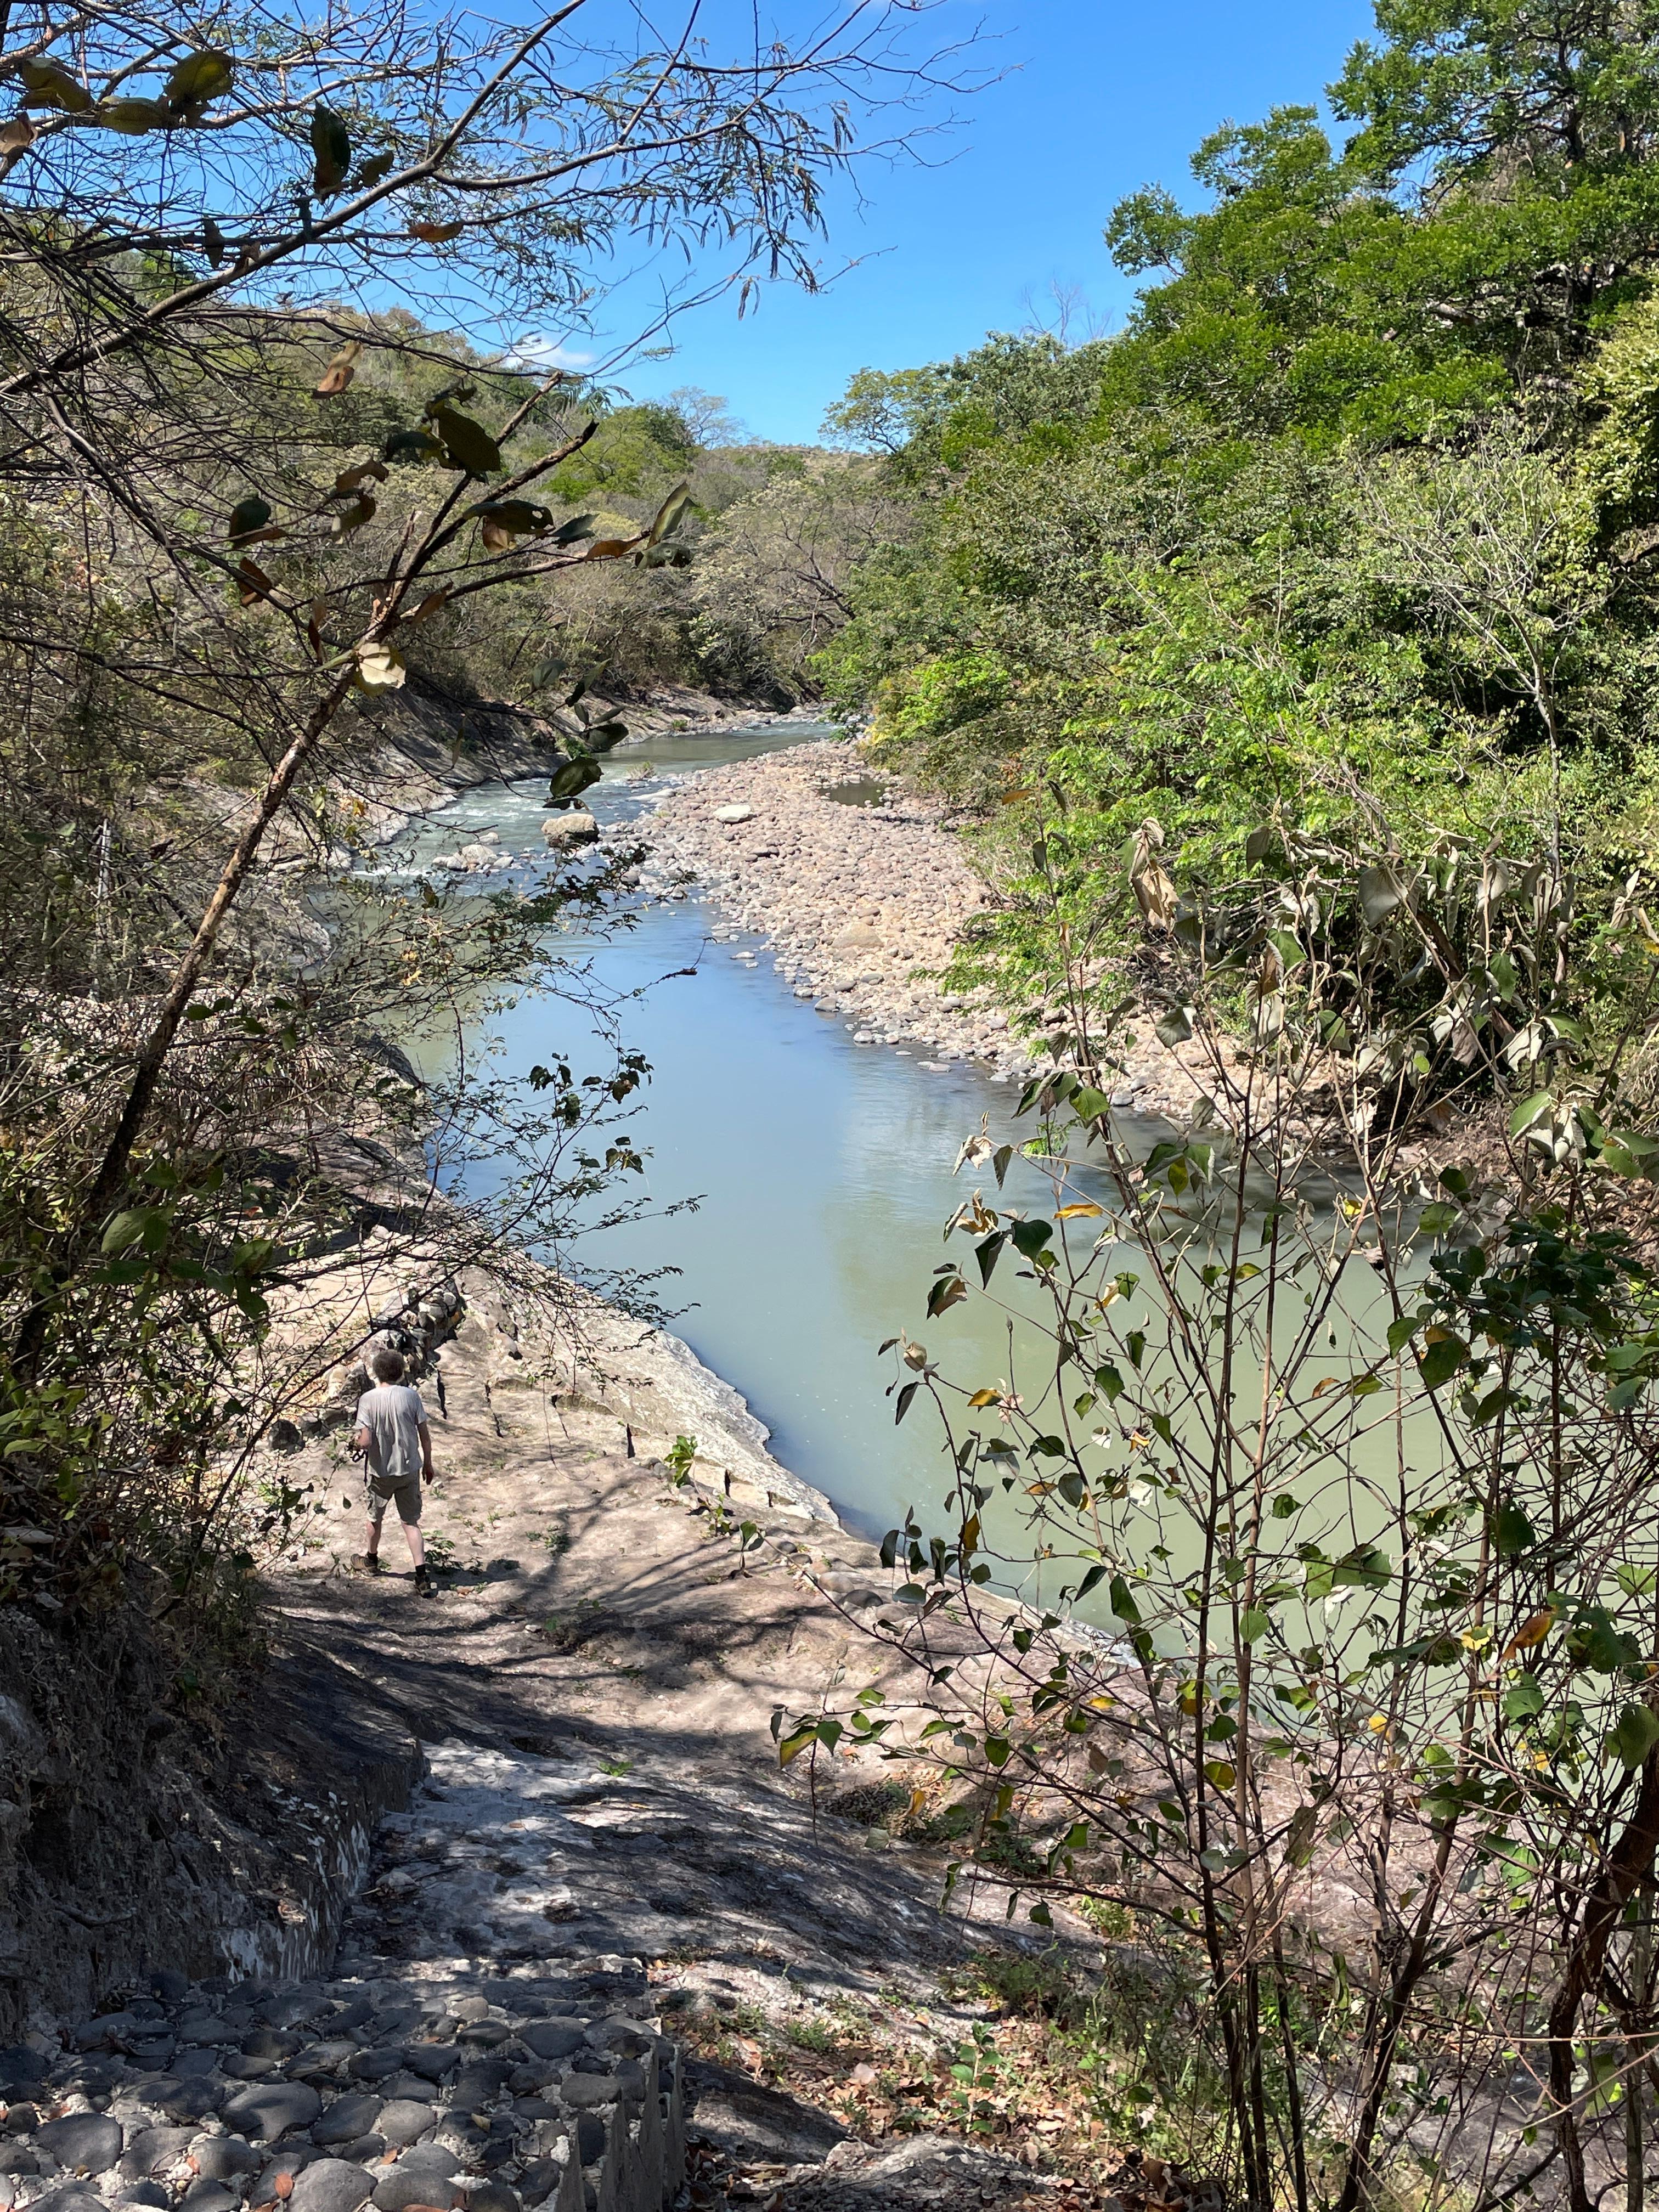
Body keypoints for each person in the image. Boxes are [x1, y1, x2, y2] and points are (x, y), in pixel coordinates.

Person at [350, 1344, 436, 1593]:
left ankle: (371, 1560)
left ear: (376, 1373)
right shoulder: (411, 1396)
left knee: (374, 1518)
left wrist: (353, 1442)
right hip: (409, 1468)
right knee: (411, 1523)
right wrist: (428, 1463)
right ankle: (421, 1576)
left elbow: (365, 1442)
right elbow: (425, 1436)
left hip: (381, 1471)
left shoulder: (367, 1400)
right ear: (400, 1372)